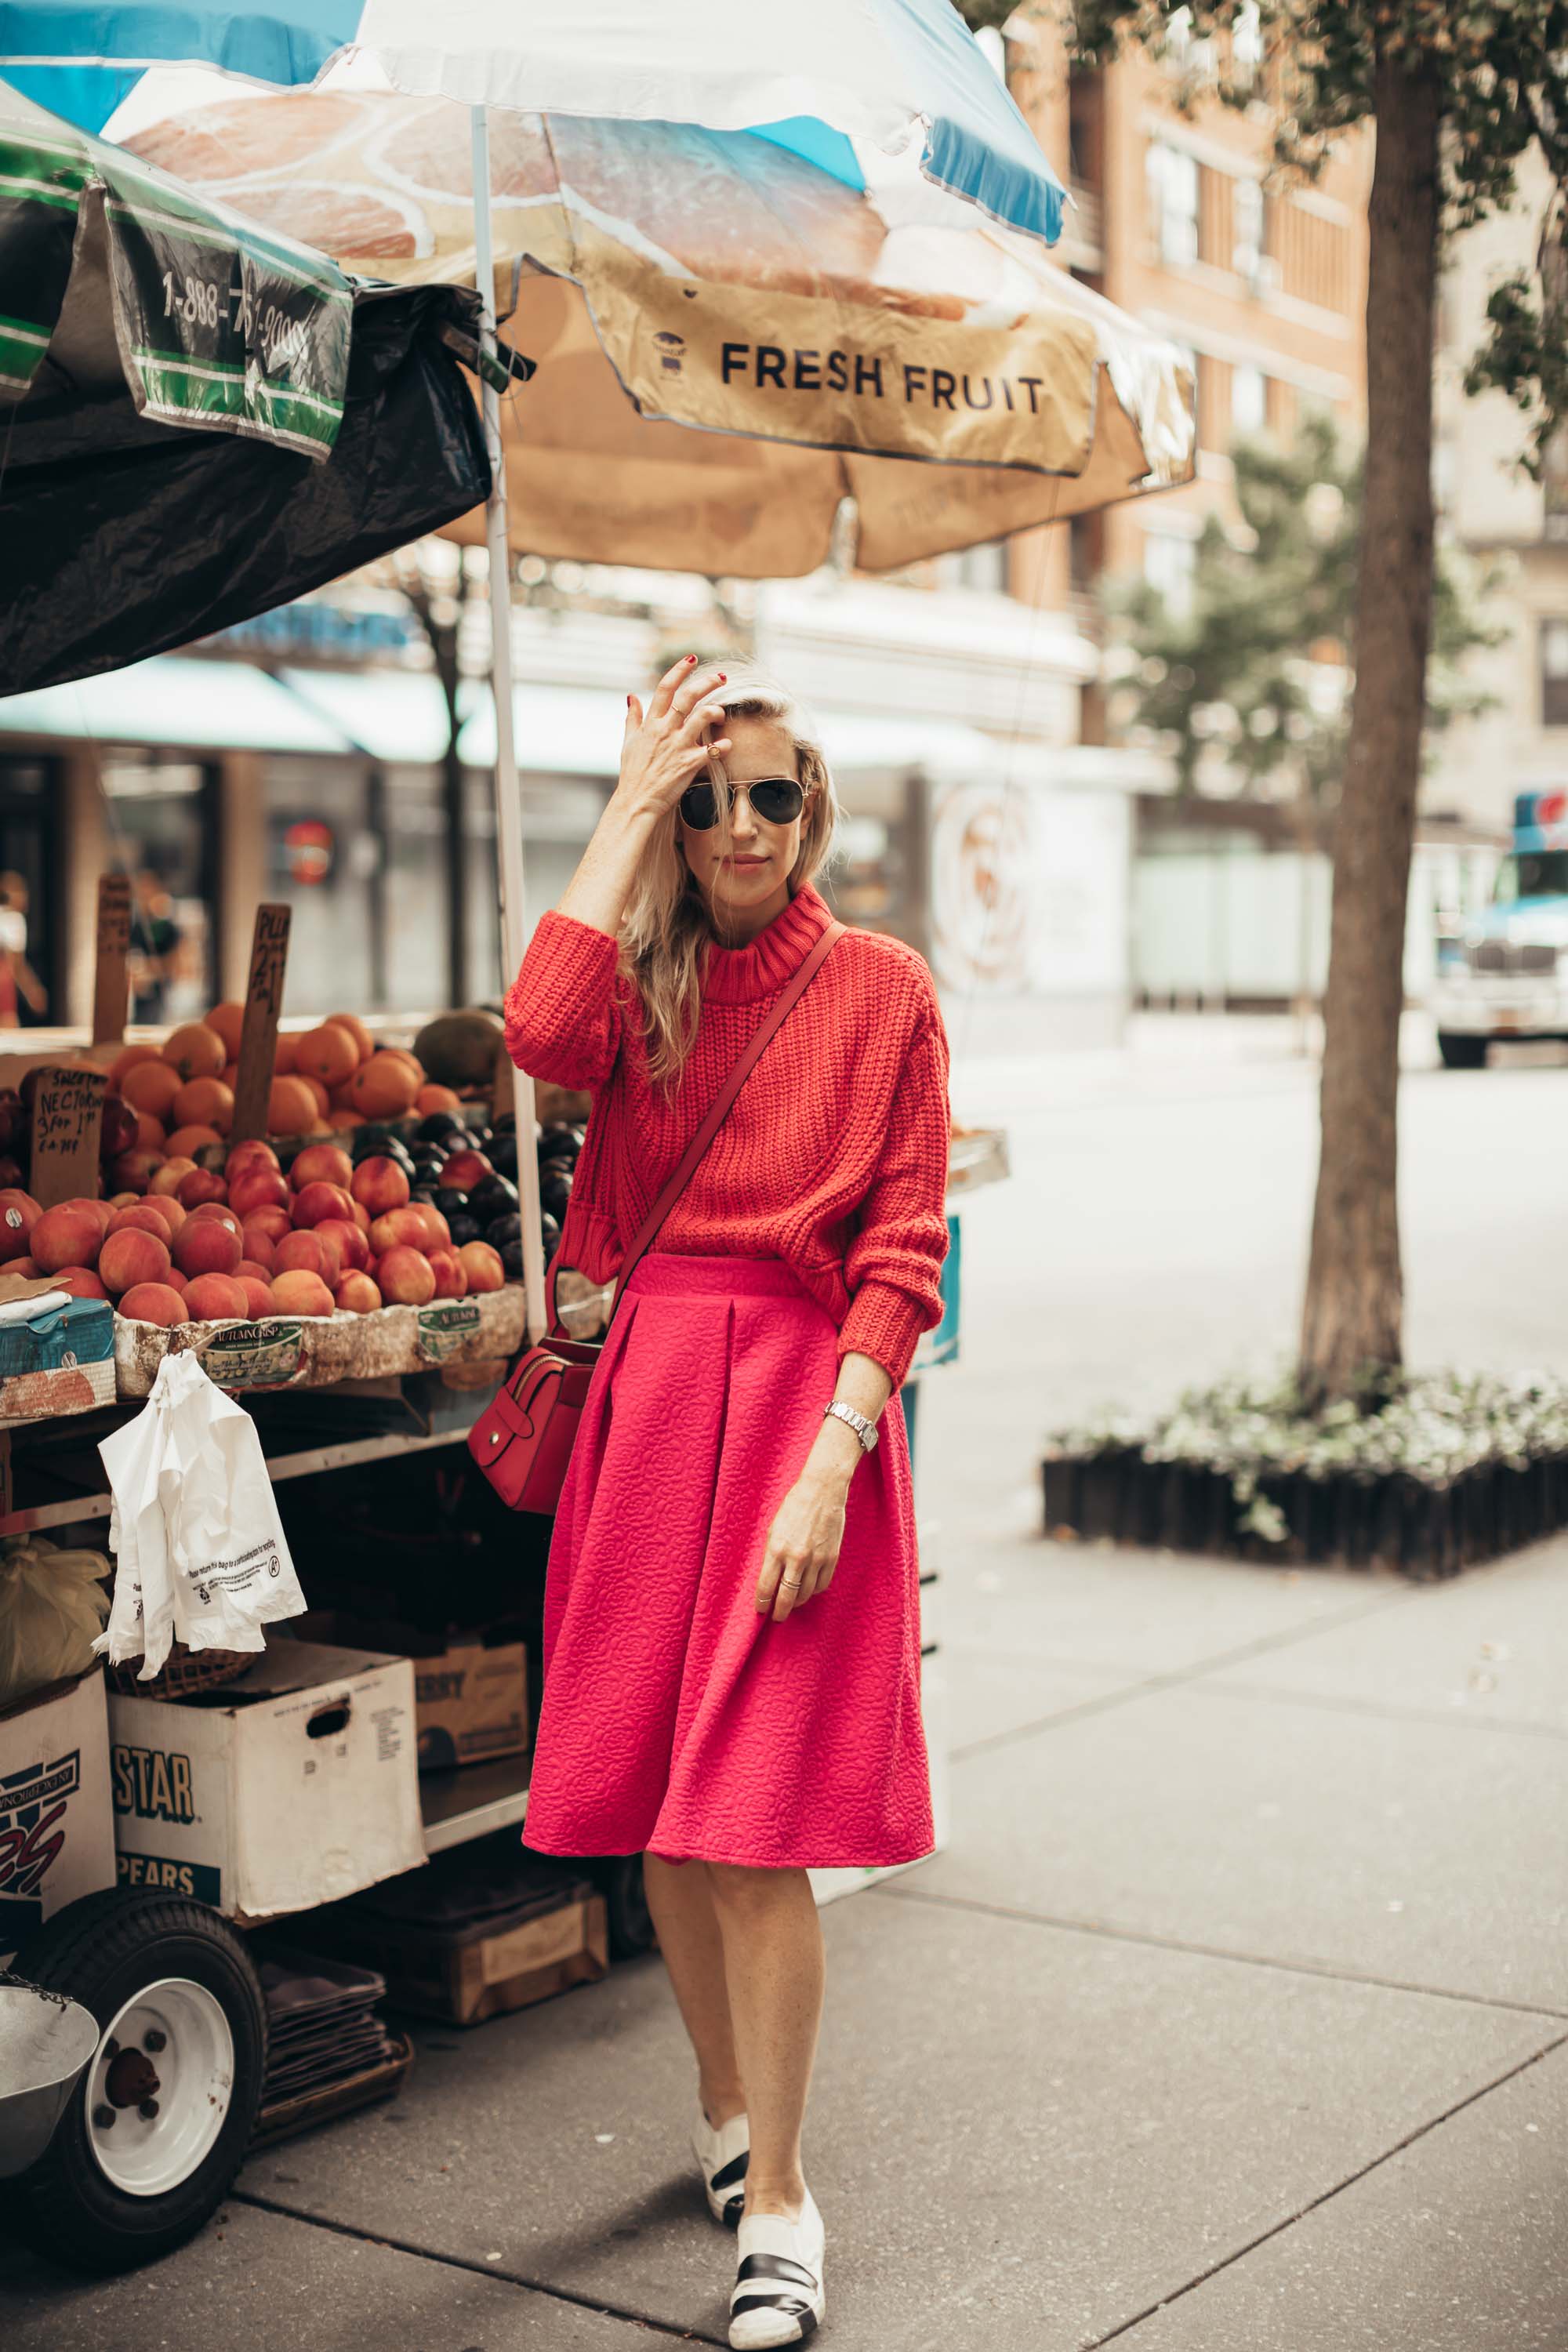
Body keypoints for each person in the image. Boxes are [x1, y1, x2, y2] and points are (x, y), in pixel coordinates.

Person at [504, 659, 952, 2349]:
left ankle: (781, 2202)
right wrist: (627, 796)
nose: (738, 825)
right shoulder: (639, 988)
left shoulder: (886, 988)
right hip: (648, 1411)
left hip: (791, 1414)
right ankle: (723, 2109)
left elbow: (901, 1252)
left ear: (812, 805)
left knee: (748, 1823)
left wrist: (834, 1458)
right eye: (705, 799)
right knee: (658, 1813)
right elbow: (536, 1034)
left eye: (767, 792)